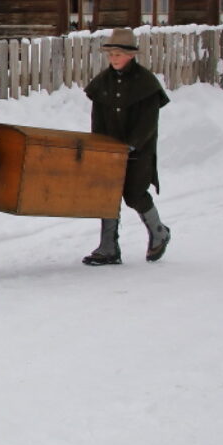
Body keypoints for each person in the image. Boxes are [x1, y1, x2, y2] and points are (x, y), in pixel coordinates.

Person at [82, 27, 171, 266]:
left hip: (139, 151)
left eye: (118, 55)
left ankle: (159, 232)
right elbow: (98, 120)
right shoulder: (102, 82)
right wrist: (99, 146)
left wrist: (132, 145)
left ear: (131, 55)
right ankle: (108, 247)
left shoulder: (146, 83)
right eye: (111, 55)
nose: (114, 59)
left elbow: (148, 123)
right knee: (107, 193)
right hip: (110, 151)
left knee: (134, 194)